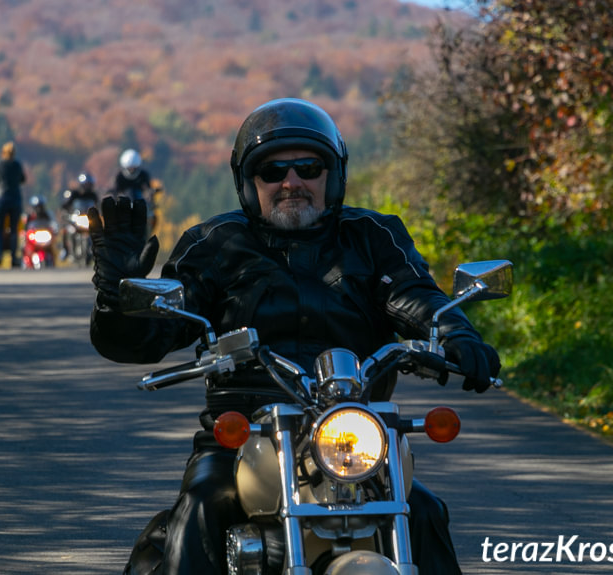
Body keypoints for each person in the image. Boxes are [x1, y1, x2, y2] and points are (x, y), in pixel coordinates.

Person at [88, 98, 500, 575]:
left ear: (333, 175)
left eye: (309, 166)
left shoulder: (373, 237)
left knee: (422, 511)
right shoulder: (215, 244)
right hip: (243, 438)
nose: (291, 182)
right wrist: (116, 296)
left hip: (352, 435)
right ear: (249, 183)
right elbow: (145, 337)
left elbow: (415, 296)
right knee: (204, 503)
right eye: (271, 171)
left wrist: (455, 334)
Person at [60, 171, 100, 260]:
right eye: (86, 184)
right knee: (67, 230)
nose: (87, 186)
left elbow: (98, 206)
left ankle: (98, 251)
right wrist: (66, 213)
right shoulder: (74, 194)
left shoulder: (93, 195)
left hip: (88, 219)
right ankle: (65, 250)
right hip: (76, 219)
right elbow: (66, 206)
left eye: (89, 184)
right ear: (81, 184)